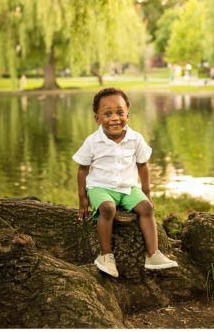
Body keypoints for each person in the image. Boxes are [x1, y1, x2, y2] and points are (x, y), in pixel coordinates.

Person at [74, 87, 179, 277]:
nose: (115, 118)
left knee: (147, 208)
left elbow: (143, 165)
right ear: (97, 118)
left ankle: (153, 254)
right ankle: (106, 256)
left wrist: (146, 192)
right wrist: (82, 198)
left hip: (128, 188)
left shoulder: (135, 139)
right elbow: (82, 169)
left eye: (119, 112)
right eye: (108, 114)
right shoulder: (92, 142)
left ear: (127, 115)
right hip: (100, 187)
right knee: (107, 208)